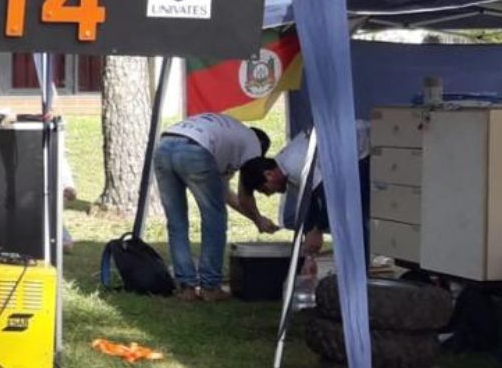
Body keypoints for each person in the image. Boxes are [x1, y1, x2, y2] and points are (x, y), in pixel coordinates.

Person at [153, 112, 277, 302]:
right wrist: (258, 219)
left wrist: (256, 219)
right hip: (195, 148)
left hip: (164, 145)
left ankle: (186, 288)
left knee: (176, 221)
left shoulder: (228, 141)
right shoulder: (253, 145)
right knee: (214, 220)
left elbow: (225, 194)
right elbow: (244, 196)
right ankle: (210, 287)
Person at [241, 121, 372, 264]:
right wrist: (309, 249)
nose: (269, 195)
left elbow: (333, 199)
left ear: (269, 175)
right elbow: (309, 205)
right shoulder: (285, 172)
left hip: (360, 143)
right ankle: (355, 265)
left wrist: (317, 230)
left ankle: (359, 269)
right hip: (344, 150)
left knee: (355, 214)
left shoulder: (295, 165)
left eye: (264, 190)